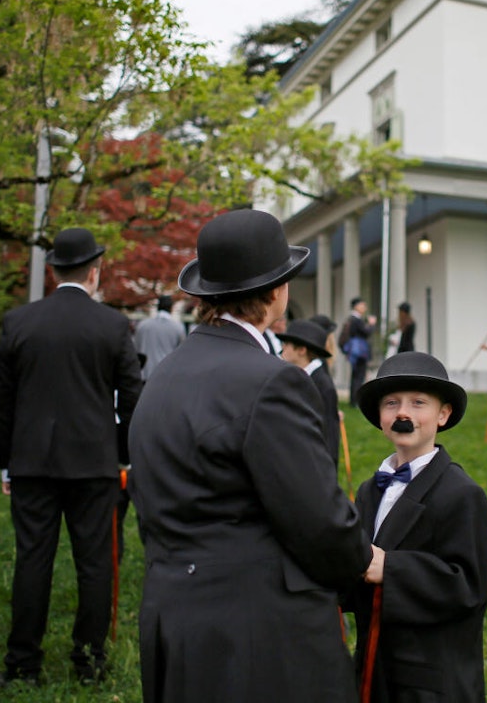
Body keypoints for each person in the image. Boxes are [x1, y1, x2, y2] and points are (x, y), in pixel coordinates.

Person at [128, 209, 374, 703]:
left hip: (173, 611)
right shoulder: (272, 381)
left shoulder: (163, 376)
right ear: (278, 289)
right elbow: (318, 520)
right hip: (256, 631)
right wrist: (363, 560)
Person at [0, 228, 143, 688]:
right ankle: (90, 660)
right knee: (95, 562)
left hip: (32, 460)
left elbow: (1, 397)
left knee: (32, 559)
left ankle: (22, 663)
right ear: (94, 272)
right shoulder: (112, 325)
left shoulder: (20, 321)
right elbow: (131, 394)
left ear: (53, 272)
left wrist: (7, 460)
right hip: (95, 463)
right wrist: (123, 455)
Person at [349, 351, 487, 702]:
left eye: (418, 403)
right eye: (392, 403)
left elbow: (469, 587)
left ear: (443, 414)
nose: (403, 413)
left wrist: (392, 569)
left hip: (428, 678)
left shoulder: (462, 494)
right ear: (380, 416)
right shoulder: (369, 491)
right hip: (374, 667)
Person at [280, 318, 341, 469]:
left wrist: (326, 472)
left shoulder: (322, 386)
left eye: (287, 344)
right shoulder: (294, 376)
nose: (283, 348)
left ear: (302, 350)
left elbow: (329, 435)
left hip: (311, 464)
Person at [133, 294, 185, 381]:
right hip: (165, 375)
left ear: (158, 307)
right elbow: (180, 354)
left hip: (145, 374)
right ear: (171, 308)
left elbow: (136, 349)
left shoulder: (142, 325)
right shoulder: (178, 327)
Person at [342, 297, 376, 405]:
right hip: (360, 351)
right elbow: (366, 333)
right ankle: (355, 400)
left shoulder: (351, 319)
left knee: (355, 375)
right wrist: (371, 324)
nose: (365, 307)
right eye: (363, 305)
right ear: (356, 306)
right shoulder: (356, 320)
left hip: (355, 351)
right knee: (359, 376)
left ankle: (353, 399)